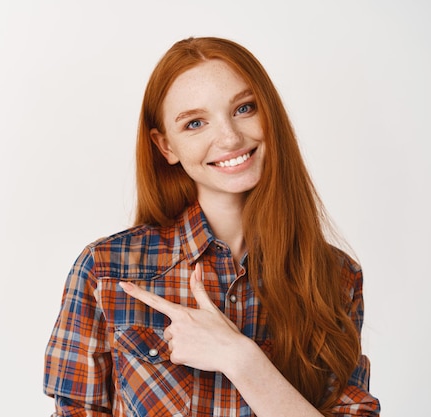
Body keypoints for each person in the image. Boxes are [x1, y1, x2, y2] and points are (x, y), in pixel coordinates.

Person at [43, 36, 380, 416]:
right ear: (165, 146)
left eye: (244, 108)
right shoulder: (106, 270)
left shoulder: (335, 278)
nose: (230, 137)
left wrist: (240, 359)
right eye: (195, 123)